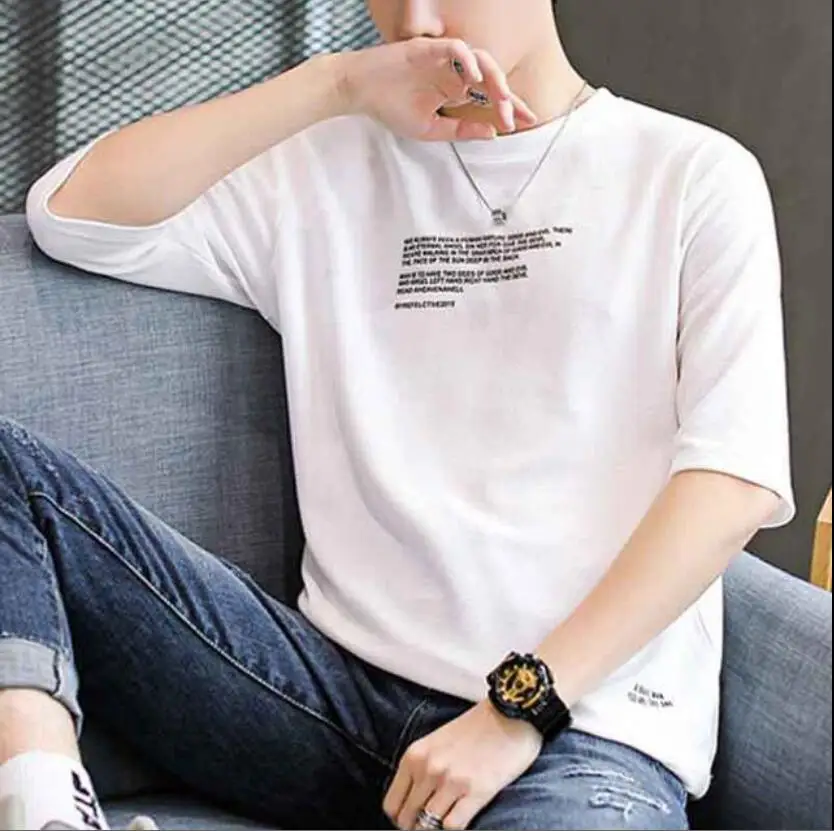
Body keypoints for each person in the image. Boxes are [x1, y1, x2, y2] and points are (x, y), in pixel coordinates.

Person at [0, 0, 794, 829]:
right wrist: (334, 84)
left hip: (576, 733)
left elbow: (731, 483)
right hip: (332, 704)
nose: (415, 22)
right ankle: (45, 804)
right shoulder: (320, 170)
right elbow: (70, 214)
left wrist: (518, 708)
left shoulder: (690, 174)